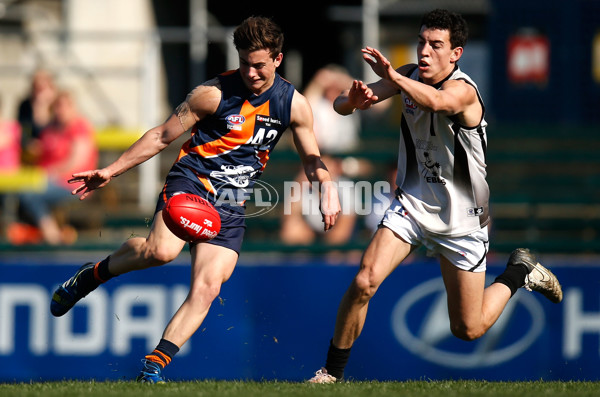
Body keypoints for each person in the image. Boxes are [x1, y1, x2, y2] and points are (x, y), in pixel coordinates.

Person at [49, 16, 341, 383]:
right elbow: (161, 136)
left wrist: (327, 189)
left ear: (278, 60)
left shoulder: (293, 105)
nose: (251, 73)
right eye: (245, 63)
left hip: (232, 203)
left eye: (260, 65)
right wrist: (112, 170)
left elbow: (312, 157)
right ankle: (91, 275)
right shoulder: (212, 94)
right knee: (160, 253)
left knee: (208, 287)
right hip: (192, 182)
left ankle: (153, 367)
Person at [308, 9, 563, 383]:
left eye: (436, 45)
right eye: (421, 42)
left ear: (456, 53)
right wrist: (355, 99)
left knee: (468, 328)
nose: (425, 51)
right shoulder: (409, 75)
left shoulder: (463, 90)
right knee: (364, 281)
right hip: (411, 205)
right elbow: (341, 106)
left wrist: (392, 77)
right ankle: (331, 373)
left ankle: (518, 272)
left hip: (462, 220)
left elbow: (437, 103)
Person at [17, 90, 97, 245]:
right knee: (20, 191)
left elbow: (76, 162)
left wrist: (49, 173)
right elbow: (39, 153)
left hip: (71, 183)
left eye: (65, 106)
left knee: (29, 194)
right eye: (58, 106)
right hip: (46, 179)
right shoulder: (50, 128)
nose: (61, 110)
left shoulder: (79, 127)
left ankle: (51, 235)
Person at [17, 69, 57, 164]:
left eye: (42, 88)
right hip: (31, 152)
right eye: (37, 88)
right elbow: (23, 129)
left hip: (52, 150)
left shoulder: (58, 105)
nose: (40, 92)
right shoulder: (25, 105)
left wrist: (42, 106)